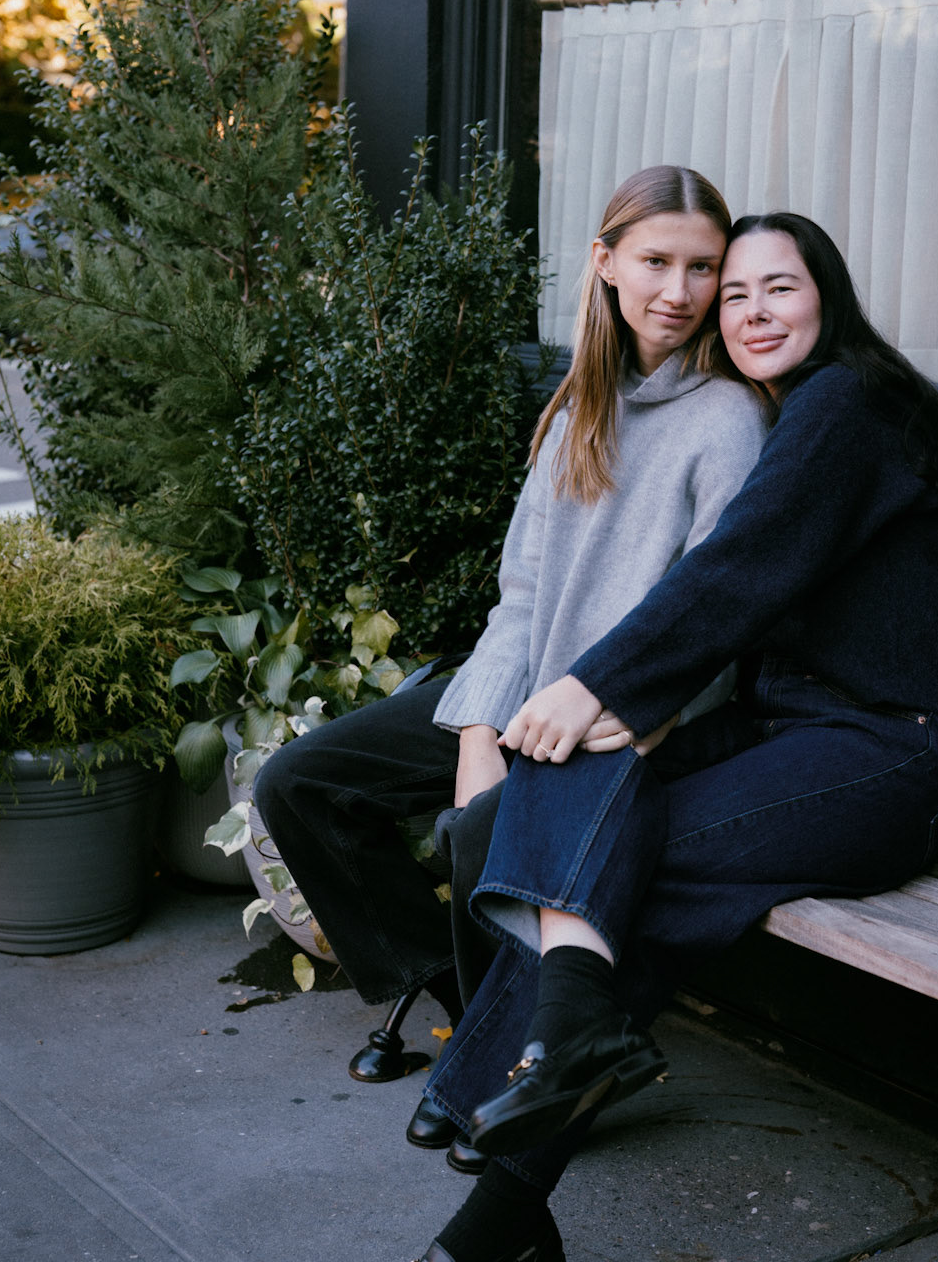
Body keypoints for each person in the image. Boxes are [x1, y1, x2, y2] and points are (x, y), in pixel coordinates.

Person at [352, 212, 938, 1262]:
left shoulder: (852, 403)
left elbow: (734, 574)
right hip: (785, 728)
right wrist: (582, 710)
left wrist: (599, 683)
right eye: (732, 294)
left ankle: (499, 1204)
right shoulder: (794, 415)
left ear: (826, 297)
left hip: (890, 752)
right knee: (571, 768)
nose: (748, 311)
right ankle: (562, 1043)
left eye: (775, 287)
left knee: (617, 853)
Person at [253, 165, 767, 1164]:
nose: (678, 289)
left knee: (478, 829)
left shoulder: (728, 420)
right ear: (605, 262)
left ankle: (502, 1066)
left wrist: (590, 717)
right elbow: (521, 597)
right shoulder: (583, 401)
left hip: (624, 717)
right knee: (301, 782)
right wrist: (478, 729)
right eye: (656, 260)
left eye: (702, 266)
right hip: (526, 685)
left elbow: (719, 622)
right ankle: (474, 1019)